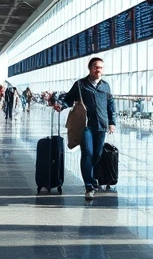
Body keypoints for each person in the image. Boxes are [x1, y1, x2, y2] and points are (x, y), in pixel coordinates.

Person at [55, 57, 116, 200]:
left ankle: (92, 176)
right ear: (90, 68)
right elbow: (69, 99)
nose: (98, 69)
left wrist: (112, 122)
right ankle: (88, 185)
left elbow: (111, 105)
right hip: (85, 125)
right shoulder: (80, 84)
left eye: (100, 67)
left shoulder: (105, 86)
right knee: (87, 152)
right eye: (95, 66)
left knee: (97, 153)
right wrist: (62, 106)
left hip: (101, 124)